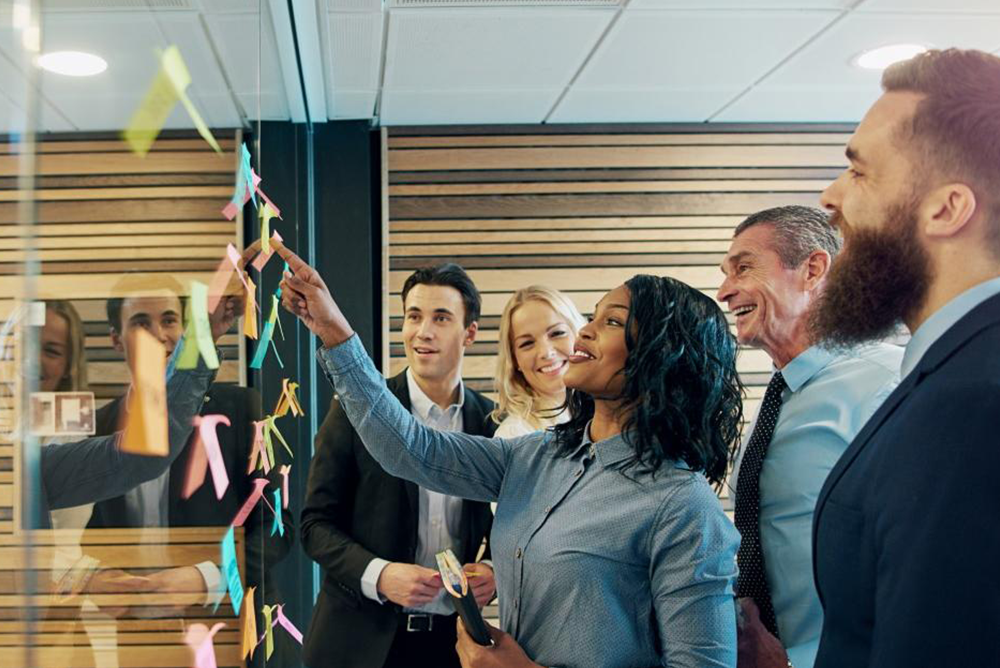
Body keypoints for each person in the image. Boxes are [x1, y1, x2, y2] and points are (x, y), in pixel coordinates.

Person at [271, 238, 743, 668]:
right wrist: (334, 331)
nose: (583, 334)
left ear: (661, 357)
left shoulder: (683, 507)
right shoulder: (536, 455)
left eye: (611, 321)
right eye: (593, 317)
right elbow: (408, 450)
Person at [807, 48, 1000, 667]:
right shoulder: (957, 367)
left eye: (860, 174)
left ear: (947, 209)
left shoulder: (973, 407)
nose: (830, 196)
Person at [716, 205, 901, 668]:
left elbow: (922, 556)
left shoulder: (890, 383)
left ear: (813, 269)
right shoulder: (778, 400)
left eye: (743, 267)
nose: (724, 291)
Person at [85, 275, 294, 666]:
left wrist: (205, 578)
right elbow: (89, 532)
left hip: (227, 636)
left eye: (168, 320)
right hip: (138, 643)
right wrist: (96, 577)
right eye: (140, 323)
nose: (159, 334)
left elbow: (277, 528)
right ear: (117, 340)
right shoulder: (99, 426)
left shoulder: (242, 409)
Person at [300, 263, 497, 668]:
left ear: (470, 333)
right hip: (356, 646)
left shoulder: (494, 424)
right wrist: (380, 575)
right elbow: (314, 526)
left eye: (441, 318)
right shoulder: (358, 409)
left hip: (455, 646)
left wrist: (496, 572)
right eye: (413, 316)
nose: (423, 332)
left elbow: (514, 528)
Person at [491, 286, 586, 439]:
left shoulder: (617, 413)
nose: (546, 353)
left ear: (579, 334)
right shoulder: (513, 436)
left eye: (557, 333)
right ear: (515, 360)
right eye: (527, 343)